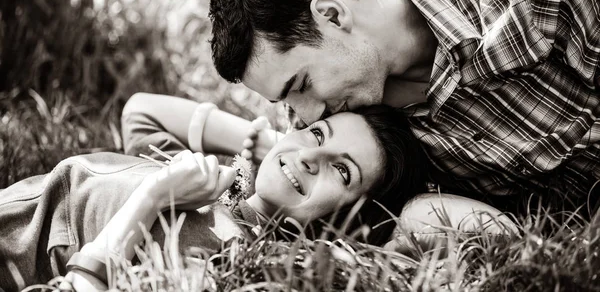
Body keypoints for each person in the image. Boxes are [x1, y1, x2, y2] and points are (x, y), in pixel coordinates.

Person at [208, 0, 600, 208]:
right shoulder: (337, 125)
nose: (306, 116)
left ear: (331, 14)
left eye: (303, 84)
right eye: (288, 100)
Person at [0, 93, 433, 291]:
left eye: (341, 169)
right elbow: (142, 113)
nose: (309, 157)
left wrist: (155, 194)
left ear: (350, 224)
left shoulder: (228, 259)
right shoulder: (220, 184)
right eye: (318, 133)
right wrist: (267, 146)